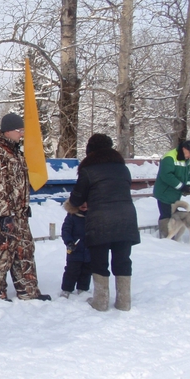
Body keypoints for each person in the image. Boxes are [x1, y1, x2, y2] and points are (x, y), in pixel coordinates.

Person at [65, 133, 140, 311]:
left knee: (99, 261)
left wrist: (74, 205)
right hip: (126, 218)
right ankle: (124, 302)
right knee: (123, 260)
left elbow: (77, 199)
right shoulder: (123, 169)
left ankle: (101, 301)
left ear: (90, 150)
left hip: (100, 221)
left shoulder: (88, 170)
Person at [0, 113, 50, 301]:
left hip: (19, 213)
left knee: (24, 250)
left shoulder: (16, 152)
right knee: (2, 252)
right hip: (2, 215)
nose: (22, 134)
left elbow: (18, 182)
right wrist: (3, 214)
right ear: (9, 131)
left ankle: (28, 291)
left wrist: (24, 205)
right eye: (20, 131)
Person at [153, 139, 190, 238]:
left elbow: (188, 174)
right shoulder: (169, 157)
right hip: (164, 192)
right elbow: (166, 175)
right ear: (184, 149)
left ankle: (172, 236)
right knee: (167, 215)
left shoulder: (186, 160)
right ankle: (165, 237)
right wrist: (181, 186)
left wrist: (189, 185)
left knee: (173, 214)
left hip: (175, 193)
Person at [60, 202, 92, 298]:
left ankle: (83, 288)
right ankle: (67, 289)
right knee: (71, 270)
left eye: (86, 203)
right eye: (81, 203)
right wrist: (69, 242)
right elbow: (66, 230)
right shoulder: (72, 216)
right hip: (75, 249)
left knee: (87, 270)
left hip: (89, 249)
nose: (83, 205)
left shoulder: (92, 216)